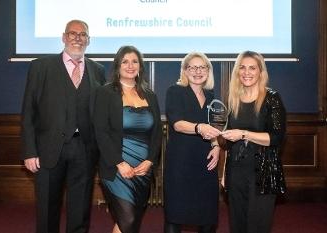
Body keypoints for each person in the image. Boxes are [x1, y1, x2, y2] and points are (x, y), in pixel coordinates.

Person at [20, 19, 105, 233]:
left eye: (83, 34)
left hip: (84, 150)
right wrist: (29, 151)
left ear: (89, 40)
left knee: (80, 210)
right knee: (47, 210)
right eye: (73, 33)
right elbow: (29, 111)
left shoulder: (98, 70)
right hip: (48, 149)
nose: (78, 38)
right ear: (63, 37)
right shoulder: (41, 67)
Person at [94, 45, 162, 233]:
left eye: (134, 61)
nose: (130, 65)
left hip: (143, 171)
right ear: (117, 65)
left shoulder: (150, 95)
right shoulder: (105, 93)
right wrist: (119, 163)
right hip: (117, 170)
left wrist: (149, 161)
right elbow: (101, 132)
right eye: (125, 61)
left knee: (130, 222)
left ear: (140, 66)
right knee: (128, 219)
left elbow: (157, 133)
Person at [221, 51, 286, 233]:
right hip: (236, 172)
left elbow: (276, 138)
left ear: (260, 72)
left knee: (257, 226)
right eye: (242, 67)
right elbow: (228, 139)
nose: (246, 72)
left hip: (262, 173)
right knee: (238, 224)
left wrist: (244, 134)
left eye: (252, 68)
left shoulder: (271, 98)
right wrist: (226, 172)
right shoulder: (234, 99)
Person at [164, 52, 222, 233]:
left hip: (205, 162)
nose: (198, 71)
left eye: (202, 67)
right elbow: (177, 123)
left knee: (207, 215)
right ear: (185, 71)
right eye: (192, 67)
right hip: (180, 163)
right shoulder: (175, 91)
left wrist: (216, 145)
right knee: (175, 215)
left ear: (208, 71)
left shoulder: (211, 96)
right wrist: (199, 128)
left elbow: (214, 127)